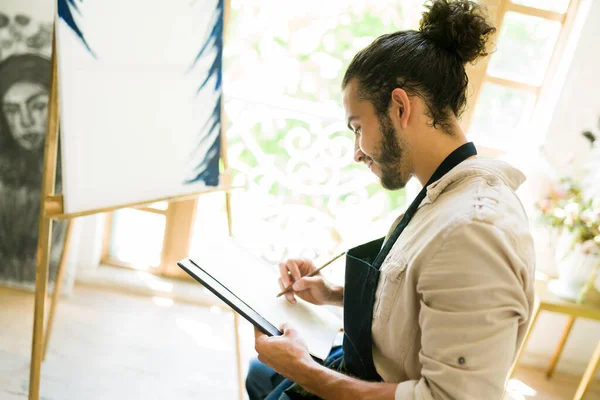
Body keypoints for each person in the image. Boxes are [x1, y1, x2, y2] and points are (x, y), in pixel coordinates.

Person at [247, 0, 536, 399]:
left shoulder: (473, 231)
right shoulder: (444, 193)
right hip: (361, 363)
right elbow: (415, 300)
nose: (357, 151)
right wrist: (330, 292)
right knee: (259, 374)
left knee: (268, 375)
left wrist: (304, 371)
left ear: (400, 107)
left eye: (357, 127)